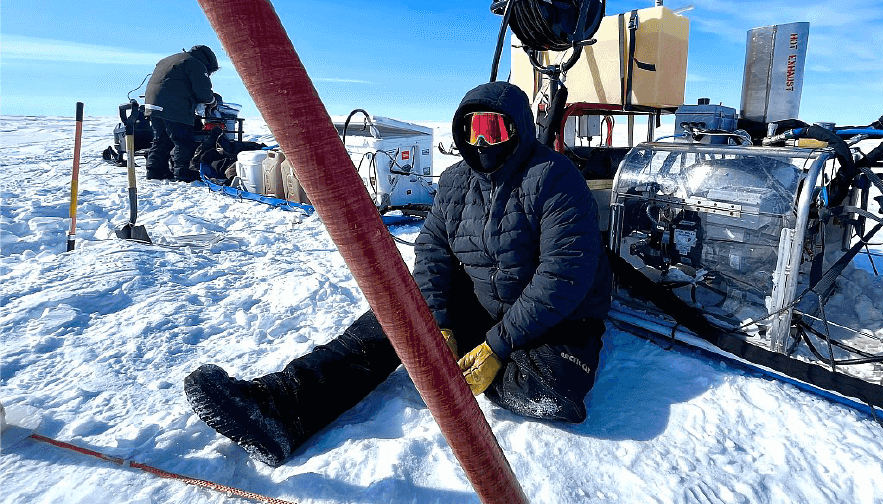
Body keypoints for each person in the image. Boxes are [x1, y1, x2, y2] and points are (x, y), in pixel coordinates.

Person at [183, 81, 611, 466]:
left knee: (554, 394)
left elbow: (564, 274)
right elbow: (432, 249)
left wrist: (498, 346)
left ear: (519, 130)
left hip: (557, 317)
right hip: (481, 299)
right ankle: (281, 406)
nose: (482, 141)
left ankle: (479, 365)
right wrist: (438, 320)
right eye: (472, 130)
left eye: (494, 130)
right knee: (394, 317)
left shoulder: (556, 178)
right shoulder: (457, 181)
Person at [143, 44, 219, 181]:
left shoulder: (170, 59)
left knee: (161, 139)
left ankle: (155, 171)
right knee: (183, 140)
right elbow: (203, 92)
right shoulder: (196, 64)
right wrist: (212, 101)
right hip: (173, 106)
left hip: (152, 103)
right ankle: (183, 172)